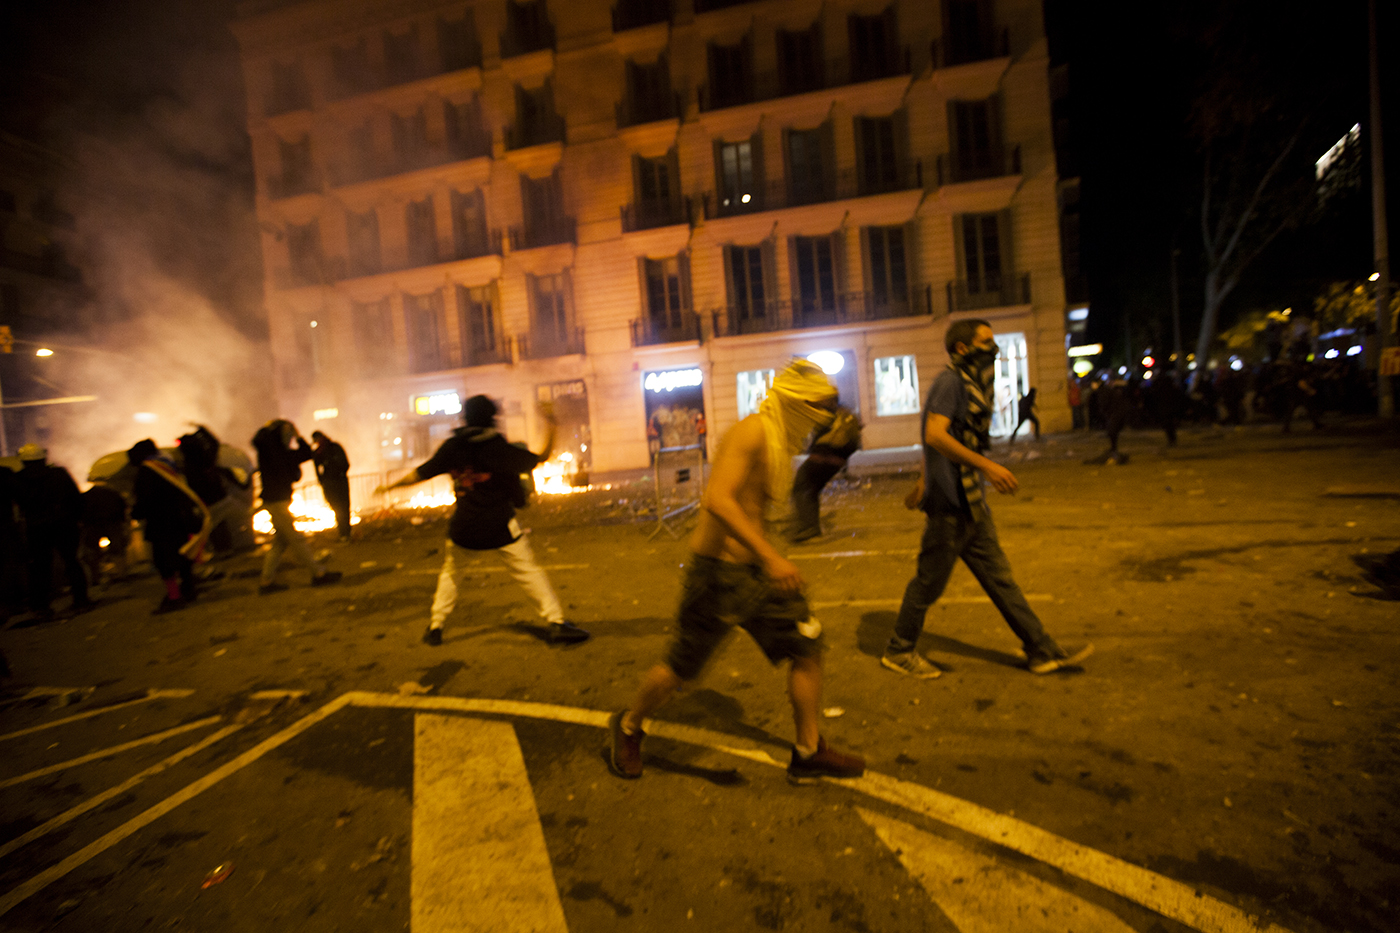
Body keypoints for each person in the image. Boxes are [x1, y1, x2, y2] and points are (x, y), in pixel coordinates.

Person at [610, 359, 866, 785]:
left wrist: (767, 557)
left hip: (756, 574)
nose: (825, 416)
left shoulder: (779, 439)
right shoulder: (752, 431)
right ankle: (629, 725)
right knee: (681, 670)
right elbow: (718, 500)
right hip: (717, 576)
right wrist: (771, 557)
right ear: (797, 401)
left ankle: (807, 752)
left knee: (807, 646)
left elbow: (753, 507)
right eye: (821, 406)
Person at [882, 320, 1092, 678]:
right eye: (986, 341)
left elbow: (945, 437)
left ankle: (1041, 650)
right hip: (951, 503)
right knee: (928, 583)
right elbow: (935, 434)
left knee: (1001, 581)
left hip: (971, 501)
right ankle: (899, 649)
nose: (994, 348)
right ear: (963, 348)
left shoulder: (973, 384)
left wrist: (923, 479)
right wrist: (987, 467)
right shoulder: (950, 382)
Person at [377, 394, 589, 647]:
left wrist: (391, 487)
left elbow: (420, 474)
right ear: (491, 418)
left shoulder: (452, 447)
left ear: (466, 417)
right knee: (528, 572)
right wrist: (552, 425)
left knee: (451, 574)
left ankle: (436, 626)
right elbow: (541, 457)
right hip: (500, 525)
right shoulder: (497, 447)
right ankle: (556, 622)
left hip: (465, 527)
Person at [251, 420, 340, 593]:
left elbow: (305, 454)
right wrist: (294, 434)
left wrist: (296, 435)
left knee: (280, 543)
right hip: (277, 501)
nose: (289, 437)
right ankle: (318, 573)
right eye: (287, 434)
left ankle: (266, 582)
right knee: (296, 539)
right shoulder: (273, 451)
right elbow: (303, 454)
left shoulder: (276, 451)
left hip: (277, 500)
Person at [129, 439, 211, 614]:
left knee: (163, 562)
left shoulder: (147, 471)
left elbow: (146, 500)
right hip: (179, 520)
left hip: (160, 524)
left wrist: (135, 512)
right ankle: (188, 590)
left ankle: (175, 597)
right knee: (183, 558)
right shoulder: (168, 466)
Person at [12, 444, 91, 620]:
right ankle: (81, 601)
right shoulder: (58, 474)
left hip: (37, 527)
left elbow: (18, 503)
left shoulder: (18, 479)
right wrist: (77, 518)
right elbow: (76, 498)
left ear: (23, 460)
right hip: (64, 523)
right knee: (72, 561)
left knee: (40, 567)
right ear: (43, 458)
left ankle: (41, 607)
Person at [788, 404, 862, 543]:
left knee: (802, 488)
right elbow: (851, 441)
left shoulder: (827, 413)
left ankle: (808, 527)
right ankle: (810, 527)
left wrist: (820, 455)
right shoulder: (843, 414)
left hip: (823, 458)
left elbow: (827, 436)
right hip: (831, 459)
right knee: (811, 490)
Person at [79, 480, 131, 586]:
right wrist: (122, 520)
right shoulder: (110, 492)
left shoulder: (85, 495)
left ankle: (96, 577)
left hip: (93, 524)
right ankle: (120, 573)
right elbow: (122, 505)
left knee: (92, 551)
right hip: (112, 521)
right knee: (117, 548)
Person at [311, 430, 352, 542]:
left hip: (334, 482)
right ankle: (345, 533)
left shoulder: (326, 450)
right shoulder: (328, 449)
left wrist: (324, 479)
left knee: (340, 507)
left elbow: (344, 464)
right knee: (341, 507)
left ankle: (344, 533)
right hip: (336, 481)